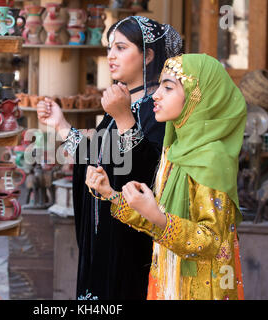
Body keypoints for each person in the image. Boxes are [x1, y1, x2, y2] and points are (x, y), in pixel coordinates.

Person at [36, 16, 182, 300]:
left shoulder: (161, 108)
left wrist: (124, 117)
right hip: (103, 234)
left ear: (148, 55)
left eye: (121, 47)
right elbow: (99, 154)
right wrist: (61, 124)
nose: (110, 56)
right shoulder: (124, 101)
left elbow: (152, 172)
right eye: (109, 48)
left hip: (132, 240)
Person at [86, 53, 247, 300]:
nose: (157, 95)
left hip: (200, 290)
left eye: (168, 87)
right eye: (159, 85)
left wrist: (157, 216)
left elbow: (211, 242)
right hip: (166, 281)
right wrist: (111, 195)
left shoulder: (212, 158)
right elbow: (159, 222)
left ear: (197, 96)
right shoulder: (174, 149)